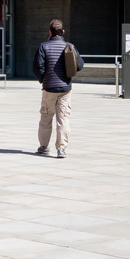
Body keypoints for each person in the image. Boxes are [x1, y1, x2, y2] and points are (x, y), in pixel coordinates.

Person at [33, 18, 83, 157]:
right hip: (65, 88)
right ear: (63, 32)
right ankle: (61, 149)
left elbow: (38, 67)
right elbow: (79, 65)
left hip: (49, 88)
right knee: (63, 119)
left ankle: (44, 146)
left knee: (46, 117)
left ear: (50, 32)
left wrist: (43, 79)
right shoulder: (70, 46)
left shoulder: (44, 46)